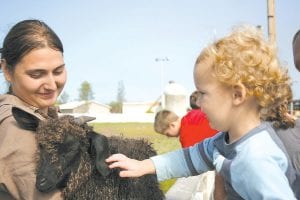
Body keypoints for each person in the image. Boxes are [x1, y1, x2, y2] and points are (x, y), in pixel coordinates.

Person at [106, 25, 298, 199]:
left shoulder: (256, 159)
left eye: (203, 93)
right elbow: (188, 158)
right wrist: (143, 165)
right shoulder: (224, 141)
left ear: (237, 95)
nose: (197, 101)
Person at [0, 19, 65, 199]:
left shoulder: (45, 114)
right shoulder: (16, 124)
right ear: (6, 70)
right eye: (36, 74)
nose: (52, 85)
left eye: (58, 71)